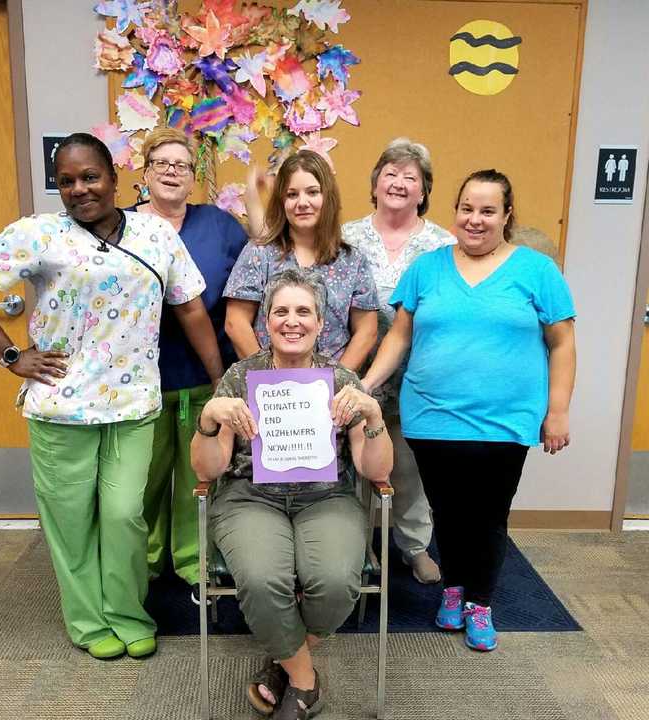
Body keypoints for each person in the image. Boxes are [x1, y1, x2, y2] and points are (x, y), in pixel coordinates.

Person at [0, 133, 224, 660]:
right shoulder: (37, 234)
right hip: (60, 406)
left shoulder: (155, 235)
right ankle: (88, 620)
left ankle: (126, 612)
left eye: (90, 176)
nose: (79, 189)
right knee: (72, 522)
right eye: (67, 180)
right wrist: (10, 356)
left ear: (116, 178)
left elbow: (189, 308)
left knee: (124, 515)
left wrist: (219, 380)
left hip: (133, 405)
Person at [363, 169, 576, 652]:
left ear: (506, 216)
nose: (474, 220)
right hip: (432, 416)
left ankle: (480, 603)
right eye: (466, 209)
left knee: (488, 515)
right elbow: (399, 335)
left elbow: (562, 343)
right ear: (454, 210)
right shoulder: (427, 267)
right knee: (448, 512)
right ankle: (453, 590)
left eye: (487, 211)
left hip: (505, 420)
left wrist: (557, 411)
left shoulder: (536, 271)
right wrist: (365, 385)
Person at [191, 268, 393, 719]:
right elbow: (208, 468)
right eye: (281, 311)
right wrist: (209, 419)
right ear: (266, 322)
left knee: (339, 580)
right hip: (251, 497)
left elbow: (374, 470)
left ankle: (283, 662)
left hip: (327, 498)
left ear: (321, 323)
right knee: (264, 580)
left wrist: (373, 413)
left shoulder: (341, 380)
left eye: (304, 311)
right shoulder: (241, 377)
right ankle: (304, 681)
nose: (292, 321)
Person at [127, 127, 247, 601]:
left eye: (183, 165)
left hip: (206, 375)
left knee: (200, 477)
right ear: (145, 171)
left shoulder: (219, 226)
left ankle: (196, 563)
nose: (173, 172)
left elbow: (249, 284)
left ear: (194, 176)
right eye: (163, 163)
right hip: (139, 382)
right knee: (142, 481)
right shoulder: (121, 225)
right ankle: (146, 564)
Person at [343, 138, 454, 584]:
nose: (399, 182)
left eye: (411, 177)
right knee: (351, 462)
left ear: (424, 191)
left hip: (416, 375)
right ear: (374, 184)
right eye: (391, 173)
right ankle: (352, 545)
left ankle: (414, 546)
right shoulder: (347, 234)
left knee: (408, 466)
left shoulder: (442, 243)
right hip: (352, 368)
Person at [224, 150, 379, 372]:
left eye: (312, 192)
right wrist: (270, 381)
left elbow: (367, 330)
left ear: (328, 197)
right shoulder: (259, 253)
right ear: (282, 202)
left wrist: (334, 384)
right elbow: (235, 322)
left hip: (331, 393)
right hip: (270, 391)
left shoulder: (352, 261)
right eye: (292, 195)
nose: (302, 202)